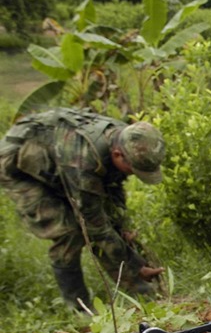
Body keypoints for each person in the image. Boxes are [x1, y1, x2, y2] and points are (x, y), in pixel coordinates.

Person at [0, 108, 166, 310]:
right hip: (17, 168)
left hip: (56, 157)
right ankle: (80, 310)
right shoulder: (83, 159)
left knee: (113, 227)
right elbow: (92, 223)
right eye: (133, 169)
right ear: (117, 155)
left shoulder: (127, 137)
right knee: (68, 232)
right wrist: (133, 263)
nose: (133, 175)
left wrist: (122, 231)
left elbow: (112, 196)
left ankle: (144, 295)